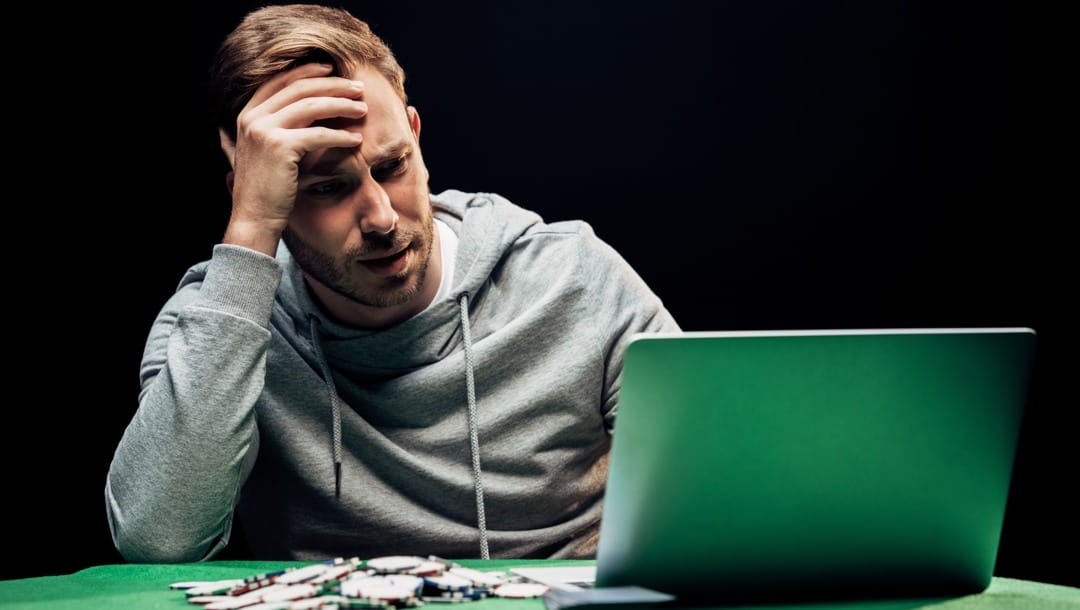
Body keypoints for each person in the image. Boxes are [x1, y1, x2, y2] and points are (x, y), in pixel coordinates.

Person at [105, 3, 680, 564]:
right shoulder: (220, 317)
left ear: (414, 132)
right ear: (259, 191)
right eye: (328, 188)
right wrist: (251, 231)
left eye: (391, 167)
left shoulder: (569, 277)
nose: (381, 218)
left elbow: (717, 487)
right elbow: (159, 539)